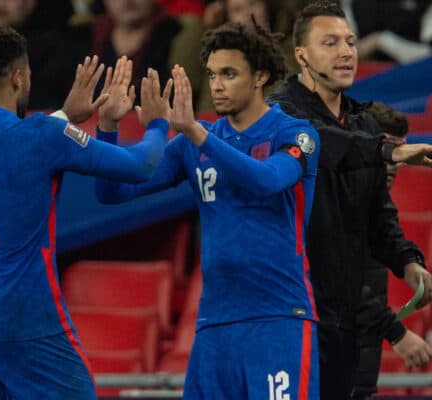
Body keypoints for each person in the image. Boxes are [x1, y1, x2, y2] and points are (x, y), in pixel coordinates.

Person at [0, 25, 172, 399]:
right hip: (24, 320)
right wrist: (156, 123)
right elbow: (141, 166)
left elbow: (0, 148)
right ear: (19, 77)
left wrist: (64, 116)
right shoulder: (41, 136)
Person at [96, 22, 321, 399]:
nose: (216, 84)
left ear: (260, 76)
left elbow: (266, 180)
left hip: (279, 319)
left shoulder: (296, 134)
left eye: (229, 74)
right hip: (215, 324)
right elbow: (112, 193)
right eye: (212, 74)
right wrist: (108, 125)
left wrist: (197, 134)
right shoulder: (192, 144)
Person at [267, 2, 432, 399]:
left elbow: (380, 216)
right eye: (330, 43)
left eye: (351, 42)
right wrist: (387, 151)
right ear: (302, 55)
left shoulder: (365, 123)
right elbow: (319, 142)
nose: (346, 52)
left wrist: (408, 262)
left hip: (344, 324)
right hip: (292, 318)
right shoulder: (279, 112)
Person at [353, 102, 432, 400]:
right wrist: (396, 332)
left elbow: (389, 236)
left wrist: (412, 265)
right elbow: (331, 279)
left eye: (400, 152)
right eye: (387, 151)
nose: (395, 162)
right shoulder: (327, 203)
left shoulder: (377, 204)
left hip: (358, 357)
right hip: (321, 353)